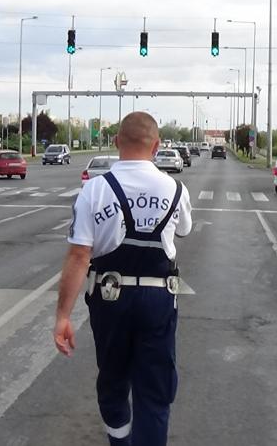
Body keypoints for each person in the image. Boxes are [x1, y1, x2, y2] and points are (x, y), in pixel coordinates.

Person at [53, 112, 192, 446]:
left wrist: (62, 317)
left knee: (113, 382)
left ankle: (120, 441)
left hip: (110, 298)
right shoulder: (176, 189)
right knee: (155, 391)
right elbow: (184, 229)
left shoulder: (94, 190)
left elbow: (78, 256)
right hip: (159, 300)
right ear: (157, 146)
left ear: (116, 142)